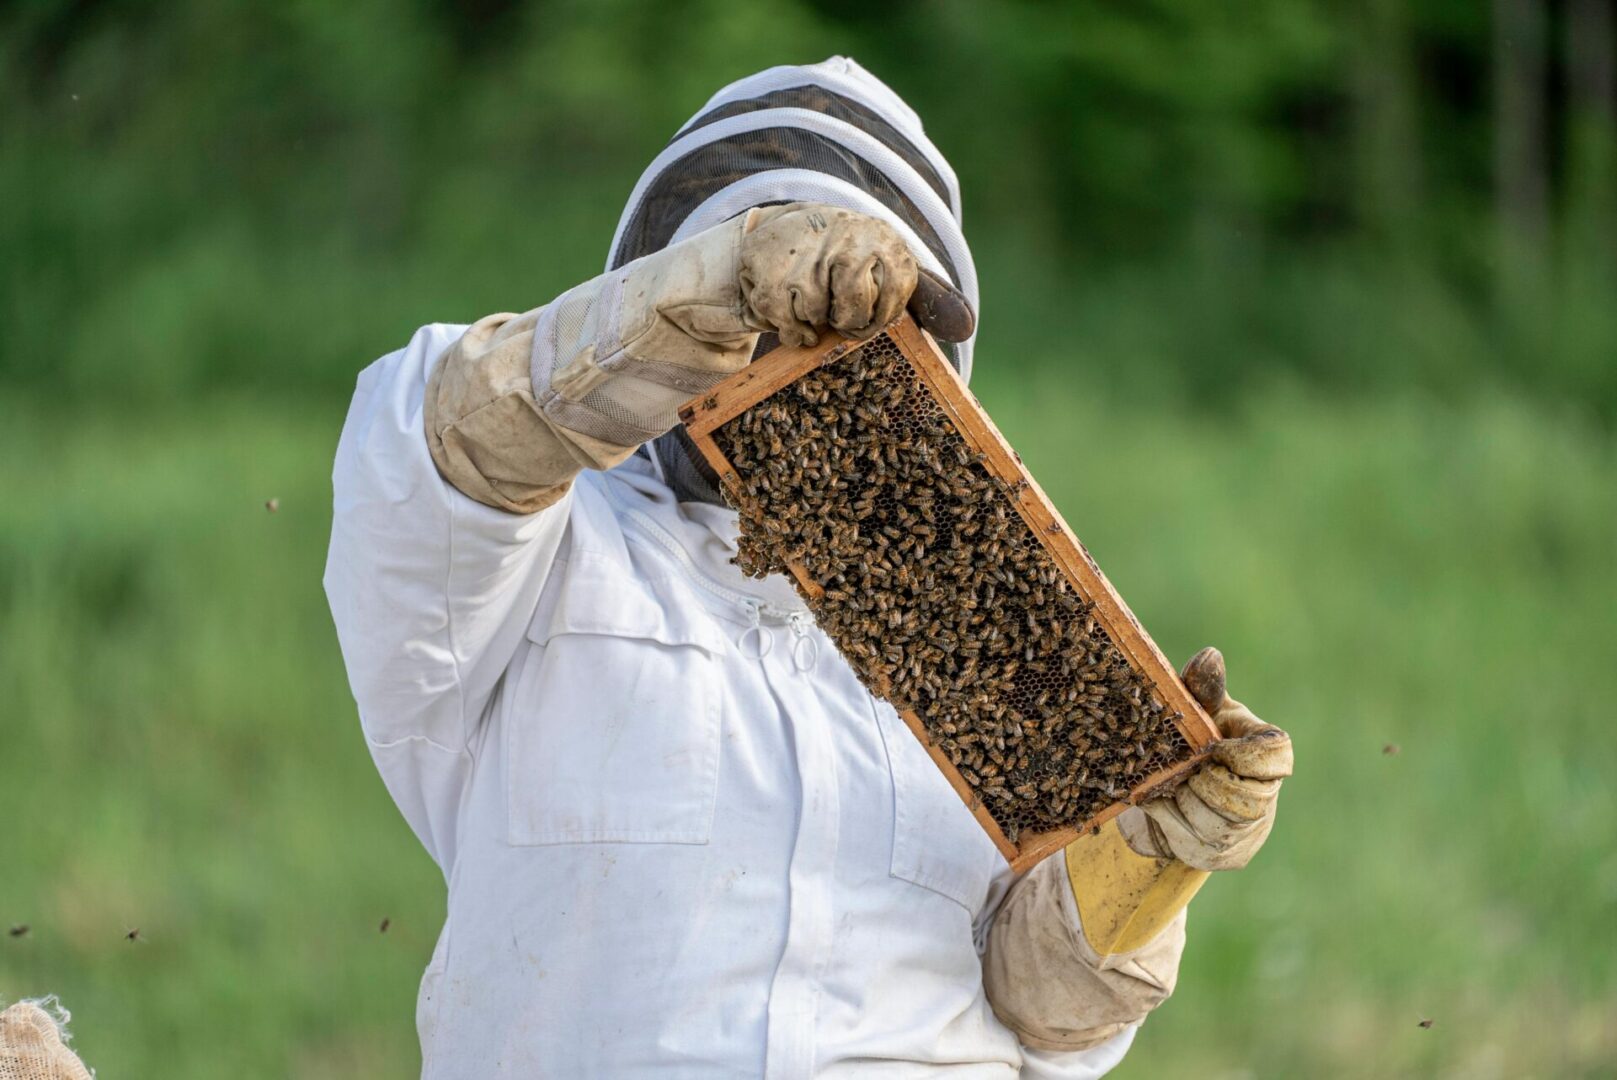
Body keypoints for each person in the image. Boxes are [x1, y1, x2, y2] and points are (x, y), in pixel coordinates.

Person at [325, 57, 1293, 1079]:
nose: (819, 348)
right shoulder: (543, 559)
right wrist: (717, 284)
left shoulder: (991, 625)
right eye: (791, 301)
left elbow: (1048, 1016)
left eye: (864, 316)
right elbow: (439, 444)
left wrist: (1142, 860)